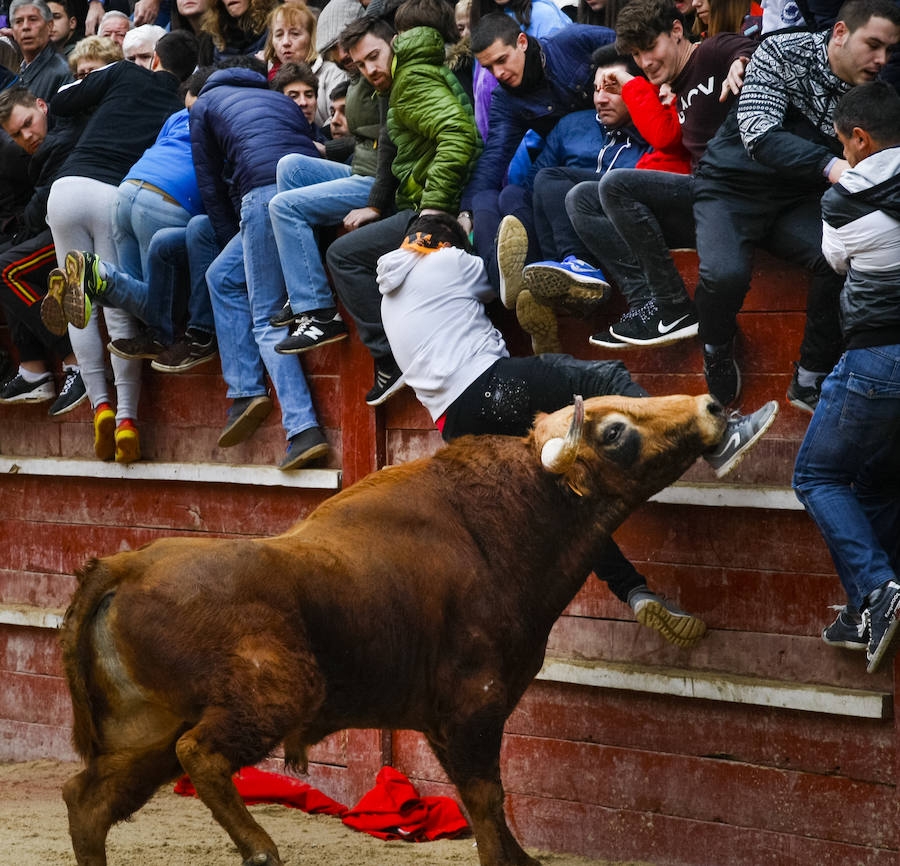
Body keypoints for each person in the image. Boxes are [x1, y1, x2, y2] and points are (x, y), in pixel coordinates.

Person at [378, 212, 779, 644]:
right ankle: (713, 436)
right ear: (446, 241)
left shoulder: (385, 297)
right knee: (603, 379)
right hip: (492, 384)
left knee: (569, 500)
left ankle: (634, 591)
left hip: (454, 426)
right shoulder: (447, 261)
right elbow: (503, 284)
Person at [692, 0, 900, 408]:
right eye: (873, 45)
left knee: (839, 259)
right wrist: (833, 165)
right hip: (730, 190)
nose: (881, 60)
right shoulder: (782, 50)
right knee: (725, 275)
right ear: (840, 32)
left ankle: (811, 376)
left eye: (889, 50)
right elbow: (759, 135)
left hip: (797, 200)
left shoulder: (878, 93)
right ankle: (716, 347)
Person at [550, 0, 754, 353]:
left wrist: (742, 62)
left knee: (615, 184)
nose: (645, 62)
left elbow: (752, 46)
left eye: (649, 49)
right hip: (699, 199)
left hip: (725, 195)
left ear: (677, 32)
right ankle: (649, 304)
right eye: (637, 55)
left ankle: (673, 307)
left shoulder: (709, 52)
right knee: (579, 197)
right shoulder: (668, 81)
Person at [793, 81, 900, 674]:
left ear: (858, 138)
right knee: (879, 483)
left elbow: (835, 262)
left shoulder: (848, 194)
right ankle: (867, 607)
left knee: (817, 474)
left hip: (878, 357)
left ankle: (881, 590)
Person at [325, 2, 482, 406]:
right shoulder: (407, 75)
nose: (370, 69)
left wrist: (433, 209)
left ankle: (390, 360)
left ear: (395, 43)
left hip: (437, 207)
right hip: (430, 201)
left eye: (374, 56)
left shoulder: (410, 80)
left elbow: (460, 137)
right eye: (359, 65)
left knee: (342, 254)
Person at [42, 39, 187, 463]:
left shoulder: (123, 73)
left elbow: (61, 100)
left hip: (67, 189)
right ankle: (126, 419)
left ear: (155, 59)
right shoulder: (180, 106)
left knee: (77, 301)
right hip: (114, 195)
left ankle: (99, 406)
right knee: (115, 304)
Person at [188, 57, 329, 469]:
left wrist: (234, 235)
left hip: (264, 197)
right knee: (222, 276)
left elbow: (210, 185)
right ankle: (246, 391)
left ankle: (303, 430)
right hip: (310, 189)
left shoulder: (204, 105)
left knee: (265, 317)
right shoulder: (275, 96)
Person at [460, 12, 615, 294]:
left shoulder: (571, 42)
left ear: (521, 42)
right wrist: (465, 212)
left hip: (614, 150)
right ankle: (524, 285)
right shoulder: (506, 99)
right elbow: (494, 157)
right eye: (489, 68)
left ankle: (563, 268)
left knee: (543, 179)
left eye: (501, 60)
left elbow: (634, 49)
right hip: (564, 162)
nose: (498, 74)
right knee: (502, 195)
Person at [266, 28, 387, 355]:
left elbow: (391, 143)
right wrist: (328, 149)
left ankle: (321, 313)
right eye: (353, 59)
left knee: (282, 206)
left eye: (363, 57)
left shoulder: (390, 78)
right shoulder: (362, 76)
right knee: (291, 165)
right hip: (363, 169)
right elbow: (366, 140)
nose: (356, 63)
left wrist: (376, 203)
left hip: (381, 182)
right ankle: (302, 289)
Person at [0, 82, 85, 414]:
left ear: (42, 106)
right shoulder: (44, 143)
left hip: (78, 227)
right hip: (56, 225)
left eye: (28, 124)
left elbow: (42, 204)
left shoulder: (63, 136)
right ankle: (33, 369)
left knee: (6, 268)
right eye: (18, 134)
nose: (27, 137)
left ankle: (75, 358)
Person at [10, 0, 71, 99]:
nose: (25, 27)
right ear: (13, 31)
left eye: (33, 19)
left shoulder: (64, 71)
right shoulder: (20, 70)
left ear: (49, 26)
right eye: (19, 21)